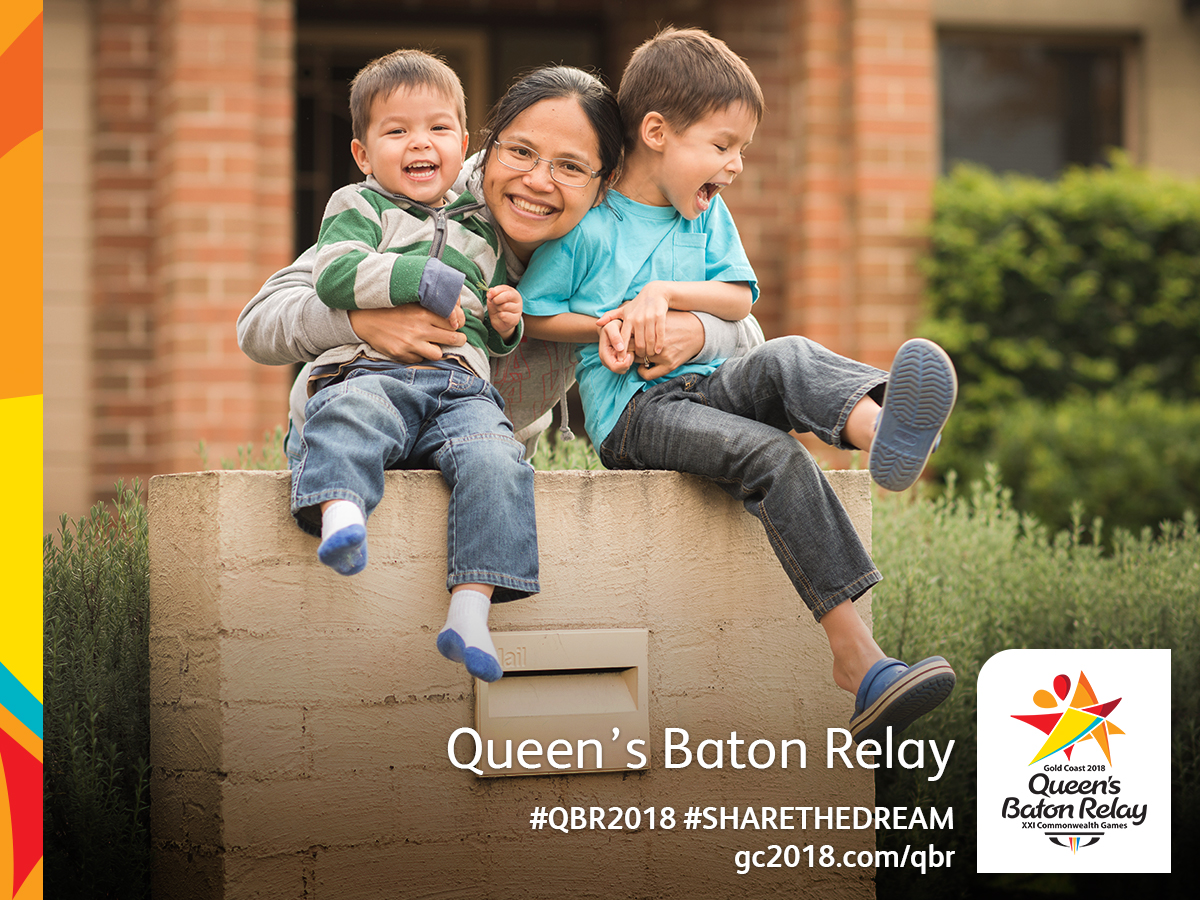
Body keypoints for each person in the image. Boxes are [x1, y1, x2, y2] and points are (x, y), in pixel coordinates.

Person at [238, 63, 764, 680]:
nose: (537, 181)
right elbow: (259, 320)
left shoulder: (615, 246)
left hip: (474, 466)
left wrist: (691, 327)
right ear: (482, 150)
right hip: (363, 440)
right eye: (519, 152)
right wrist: (362, 324)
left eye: (570, 167)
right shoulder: (427, 207)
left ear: (606, 184)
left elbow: (749, 332)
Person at [519, 27, 959, 743]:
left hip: (711, 380)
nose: (736, 164)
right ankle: (861, 663)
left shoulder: (706, 214)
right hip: (634, 414)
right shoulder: (591, 227)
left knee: (784, 354)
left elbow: (738, 300)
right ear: (657, 132)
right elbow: (537, 315)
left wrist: (664, 292)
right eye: (723, 146)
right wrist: (609, 324)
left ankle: (882, 431)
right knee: (774, 455)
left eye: (742, 149)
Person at [290, 49, 536, 684]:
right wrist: (415, 275)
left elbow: (474, 319)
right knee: (350, 412)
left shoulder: (482, 226)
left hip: (460, 389)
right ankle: (341, 513)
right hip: (371, 369)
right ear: (364, 154)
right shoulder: (360, 206)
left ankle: (470, 612)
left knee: (497, 458)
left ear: (464, 146)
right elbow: (335, 273)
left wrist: (503, 324)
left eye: (438, 128)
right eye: (396, 131)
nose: (419, 143)